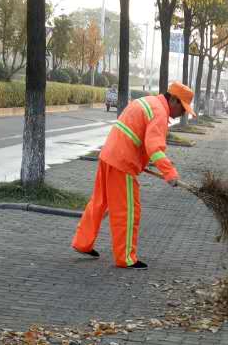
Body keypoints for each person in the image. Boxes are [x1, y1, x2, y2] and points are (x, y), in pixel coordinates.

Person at [73, 81, 194, 269]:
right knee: (128, 212)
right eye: (184, 108)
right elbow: (154, 148)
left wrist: (140, 160)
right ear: (173, 100)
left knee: (99, 202)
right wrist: (169, 172)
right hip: (122, 164)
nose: (183, 113)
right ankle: (126, 258)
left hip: (109, 156)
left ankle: (82, 243)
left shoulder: (149, 102)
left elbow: (137, 137)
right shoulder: (159, 113)